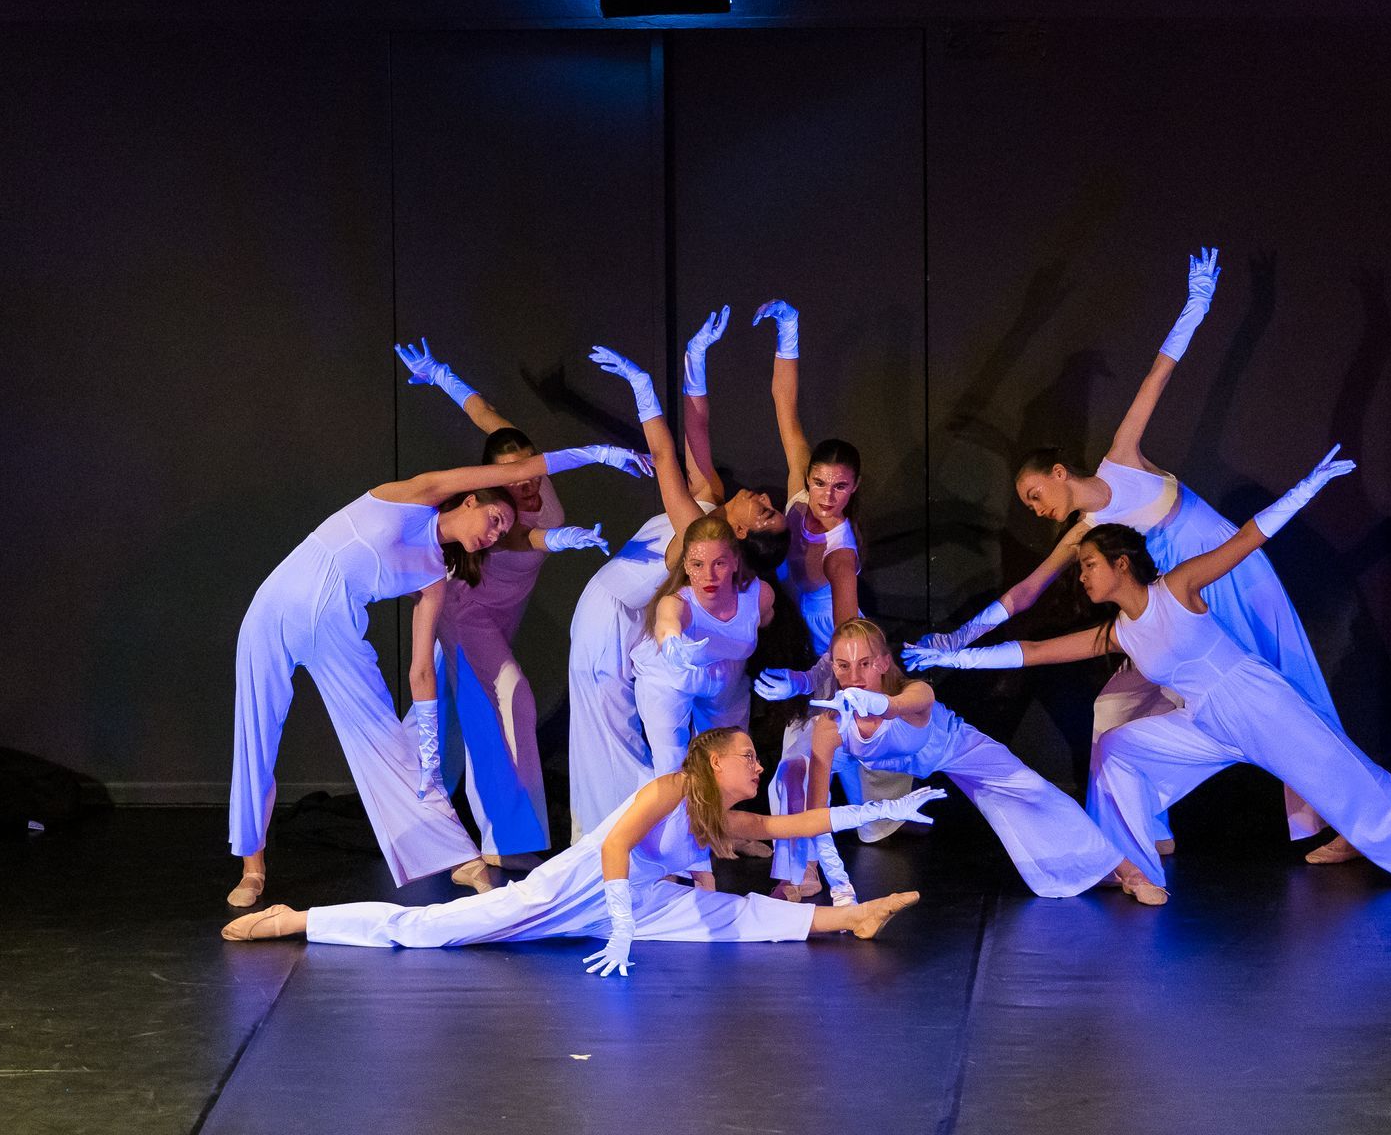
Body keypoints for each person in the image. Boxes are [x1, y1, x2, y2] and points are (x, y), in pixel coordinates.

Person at [906, 449, 1391, 896]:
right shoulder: (1117, 632)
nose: (1082, 575)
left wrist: (1308, 485)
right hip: (1206, 724)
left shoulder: (1177, 587)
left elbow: (1249, 537)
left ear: (1122, 565)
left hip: (1259, 708)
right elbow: (1033, 652)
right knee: (1118, 748)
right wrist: (955, 654)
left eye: (1090, 565)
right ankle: (1135, 866)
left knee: (1359, 787)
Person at [910, 249, 1358, 862]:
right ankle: (1144, 830)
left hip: (1228, 564)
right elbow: (1027, 591)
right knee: (1116, 706)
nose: (1034, 508)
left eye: (1036, 494)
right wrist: (959, 639)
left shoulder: (1122, 459)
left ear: (1061, 472)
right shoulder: (1088, 531)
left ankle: (1349, 823)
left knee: (1290, 681)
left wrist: (1196, 304)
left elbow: (1159, 374)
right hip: (1178, 598)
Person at [225, 443, 648, 909]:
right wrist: (601, 454)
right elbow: (528, 466)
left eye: (504, 530)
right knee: (256, 739)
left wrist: (429, 754)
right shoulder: (412, 497)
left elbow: (422, 672)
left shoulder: (433, 578)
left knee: (385, 742)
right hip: (274, 608)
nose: (495, 534)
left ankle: (457, 856)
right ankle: (253, 866)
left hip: (337, 630)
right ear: (470, 500)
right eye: (494, 520)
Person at [221, 727, 936, 974]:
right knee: (434, 933)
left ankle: (852, 920)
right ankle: (301, 918)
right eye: (748, 757)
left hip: (640, 894)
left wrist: (886, 806)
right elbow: (619, 843)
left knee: (729, 921)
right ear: (713, 765)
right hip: (582, 882)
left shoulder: (727, 818)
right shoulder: (672, 787)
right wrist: (620, 923)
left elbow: (797, 826)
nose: (757, 767)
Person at [757, 618, 1164, 903]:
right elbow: (817, 812)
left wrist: (880, 704)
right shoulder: (832, 725)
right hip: (874, 759)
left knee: (1029, 788)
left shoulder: (913, 693)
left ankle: (1126, 869)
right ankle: (797, 875)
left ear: (883, 663)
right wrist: (842, 888)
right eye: (844, 666)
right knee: (793, 771)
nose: (855, 675)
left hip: (949, 744)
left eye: (865, 663)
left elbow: (913, 701)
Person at [394, 338, 608, 870]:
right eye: (514, 478)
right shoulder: (501, 513)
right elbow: (520, 542)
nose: (528, 483)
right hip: (466, 614)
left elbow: (489, 418)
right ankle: (507, 842)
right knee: (510, 701)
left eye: (532, 470)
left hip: (497, 619)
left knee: (444, 717)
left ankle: (413, 812)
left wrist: (441, 373)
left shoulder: (531, 472)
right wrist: (559, 540)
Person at [566, 328, 785, 836]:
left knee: (619, 731)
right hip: (618, 605)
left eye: (767, 512)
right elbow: (697, 430)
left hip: (625, 615)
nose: (764, 498)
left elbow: (665, 456)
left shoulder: (695, 529)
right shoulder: (710, 495)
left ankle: (637, 837)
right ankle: (611, 838)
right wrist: (696, 358)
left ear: (741, 535)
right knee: (608, 730)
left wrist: (642, 387)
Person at [753, 298, 915, 896]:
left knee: (800, 766)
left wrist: (809, 687)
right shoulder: (800, 494)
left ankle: (803, 871)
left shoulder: (842, 556)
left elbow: (848, 650)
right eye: (819, 481)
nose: (825, 492)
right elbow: (784, 405)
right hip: (802, 648)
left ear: (855, 489)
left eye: (839, 486)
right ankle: (862, 816)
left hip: (835, 660)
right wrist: (789, 329)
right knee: (809, 769)